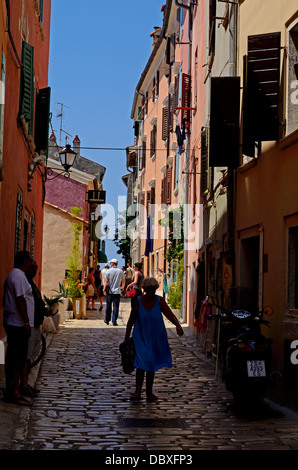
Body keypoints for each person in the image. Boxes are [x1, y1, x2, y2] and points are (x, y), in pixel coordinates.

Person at [124, 277, 184, 402]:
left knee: (151, 363)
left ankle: (149, 392)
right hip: (140, 336)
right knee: (141, 362)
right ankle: (138, 391)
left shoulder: (159, 301)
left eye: (153, 289)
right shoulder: (138, 301)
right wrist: (126, 339)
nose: (151, 291)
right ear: (145, 289)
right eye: (149, 289)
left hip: (156, 337)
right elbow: (131, 320)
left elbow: (170, 314)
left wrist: (178, 325)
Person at [3, 251, 35, 406]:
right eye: (30, 259)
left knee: (14, 358)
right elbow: (20, 299)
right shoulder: (19, 276)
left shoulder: (14, 275)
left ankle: (11, 390)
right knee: (17, 359)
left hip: (14, 322)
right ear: (24, 261)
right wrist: (26, 322)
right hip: (18, 324)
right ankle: (14, 393)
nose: (31, 262)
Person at [21, 259, 49, 397]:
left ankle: (26, 384)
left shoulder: (31, 283)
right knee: (26, 357)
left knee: (30, 356)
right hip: (30, 324)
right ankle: (24, 385)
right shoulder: (24, 282)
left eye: (36, 267)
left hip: (36, 323)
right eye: (32, 267)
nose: (34, 270)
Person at [103, 259, 125, 326]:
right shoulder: (120, 271)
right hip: (117, 292)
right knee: (116, 306)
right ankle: (114, 321)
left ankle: (107, 320)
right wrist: (123, 288)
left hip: (110, 292)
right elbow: (123, 281)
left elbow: (106, 281)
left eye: (111, 263)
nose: (110, 264)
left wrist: (104, 289)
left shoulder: (108, 271)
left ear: (113, 263)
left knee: (108, 306)